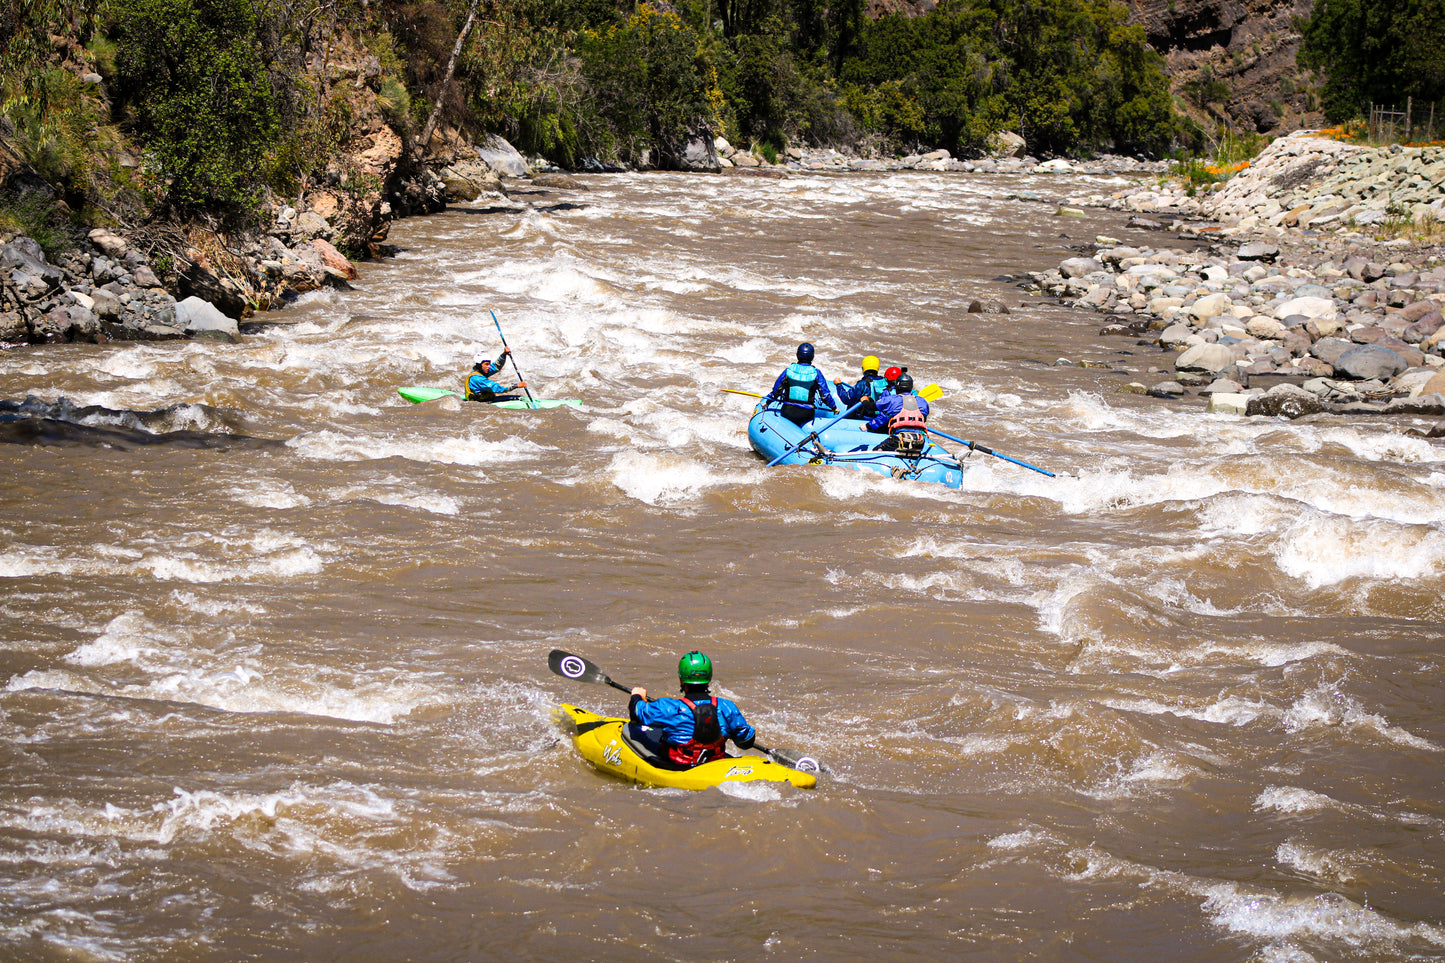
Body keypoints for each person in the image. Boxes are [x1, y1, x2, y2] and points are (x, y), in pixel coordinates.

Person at [627, 651, 756, 769]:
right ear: (709, 677)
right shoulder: (726, 707)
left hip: (680, 767)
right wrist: (731, 732)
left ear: (681, 678)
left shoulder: (668, 708)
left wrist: (637, 696)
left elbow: (637, 713)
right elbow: (746, 742)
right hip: (714, 765)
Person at [768, 342, 837, 427]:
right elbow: (825, 395)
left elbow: (776, 390)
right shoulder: (816, 373)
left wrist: (767, 401)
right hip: (806, 415)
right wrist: (834, 407)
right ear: (812, 356)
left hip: (788, 411)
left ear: (797, 355)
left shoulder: (788, 370)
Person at [866, 371, 930, 452]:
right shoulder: (922, 401)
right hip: (920, 441)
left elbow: (870, 407)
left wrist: (864, 400)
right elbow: (924, 418)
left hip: (898, 440)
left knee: (875, 451)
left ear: (897, 387)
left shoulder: (892, 400)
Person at [834, 355, 891, 419]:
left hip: (863, 417)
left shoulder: (862, 384)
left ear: (863, 369)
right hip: (880, 417)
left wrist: (838, 385)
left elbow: (846, 399)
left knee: (852, 404)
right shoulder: (885, 382)